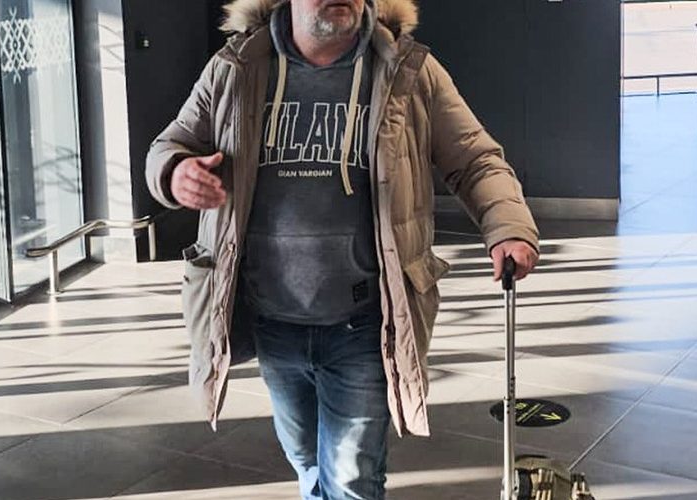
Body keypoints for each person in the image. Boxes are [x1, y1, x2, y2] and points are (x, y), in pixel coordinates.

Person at [145, 0, 541, 498]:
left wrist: (508, 227)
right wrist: (175, 172)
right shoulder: (237, 68)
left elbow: (476, 158)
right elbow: (170, 145)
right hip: (272, 319)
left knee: (352, 477)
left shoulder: (407, 70)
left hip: (365, 323)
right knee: (306, 459)